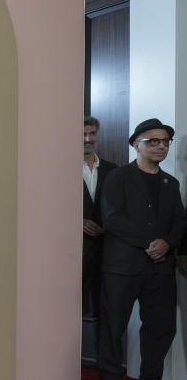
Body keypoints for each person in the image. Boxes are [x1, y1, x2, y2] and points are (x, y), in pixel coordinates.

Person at [98, 118, 184, 380]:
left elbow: (179, 222)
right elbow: (112, 218)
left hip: (160, 268)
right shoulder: (118, 177)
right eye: (153, 141)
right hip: (123, 265)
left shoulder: (170, 183)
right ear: (136, 144)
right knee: (114, 323)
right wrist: (150, 243)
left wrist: (168, 243)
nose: (161, 146)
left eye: (165, 142)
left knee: (161, 325)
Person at [82, 116, 117, 316]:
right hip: (72, 252)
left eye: (92, 133)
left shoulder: (113, 170)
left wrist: (106, 227)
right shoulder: (60, 169)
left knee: (105, 308)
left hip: (106, 251)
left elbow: (120, 208)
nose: (88, 139)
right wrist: (75, 223)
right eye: (83, 134)